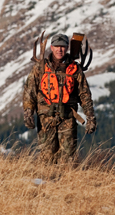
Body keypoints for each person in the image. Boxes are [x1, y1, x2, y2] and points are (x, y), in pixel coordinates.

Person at [23, 33, 97, 162]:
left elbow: (84, 95)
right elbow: (30, 91)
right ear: (51, 47)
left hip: (68, 118)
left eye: (62, 46)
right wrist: (28, 112)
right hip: (46, 119)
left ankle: (66, 181)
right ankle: (45, 181)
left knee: (67, 158)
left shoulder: (75, 69)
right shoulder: (40, 68)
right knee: (46, 157)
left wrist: (90, 117)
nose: (60, 49)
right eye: (57, 46)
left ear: (68, 47)